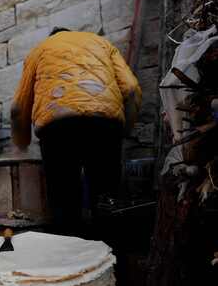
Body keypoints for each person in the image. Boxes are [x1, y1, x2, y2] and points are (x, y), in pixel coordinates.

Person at [11, 27, 142, 236]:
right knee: (106, 196)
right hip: (104, 125)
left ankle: (71, 258)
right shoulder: (102, 44)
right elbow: (132, 88)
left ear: (52, 37)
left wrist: (22, 143)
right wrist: (123, 130)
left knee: (64, 199)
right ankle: (113, 256)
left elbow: (18, 108)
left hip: (58, 128)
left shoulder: (40, 50)